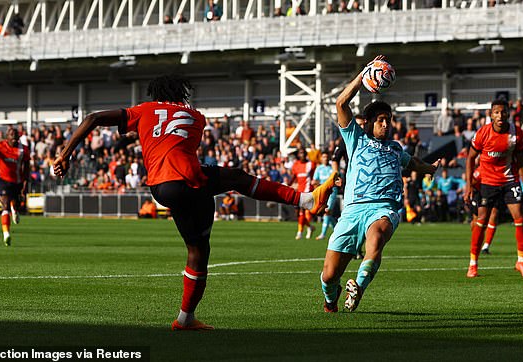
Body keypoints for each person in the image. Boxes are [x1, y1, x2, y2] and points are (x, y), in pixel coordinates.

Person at [53, 74, 339, 331]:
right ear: (182, 93)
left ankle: (185, 319)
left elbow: (92, 118)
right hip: (187, 180)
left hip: (161, 188)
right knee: (237, 178)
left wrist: (65, 154)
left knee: (198, 249)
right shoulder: (197, 118)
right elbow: (175, 136)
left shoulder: (143, 110)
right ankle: (305, 199)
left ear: (156, 94)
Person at [320, 55, 440, 313]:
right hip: (352, 210)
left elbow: (412, 163)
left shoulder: (396, 149)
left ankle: (359, 287)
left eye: (388, 120)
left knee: (377, 237)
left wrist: (430, 168)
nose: (386, 125)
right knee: (329, 276)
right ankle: (332, 299)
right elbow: (341, 102)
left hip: (384, 208)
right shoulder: (355, 140)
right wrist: (363, 75)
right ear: (370, 123)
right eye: (381, 120)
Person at [464, 99, 523, 279]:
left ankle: (521, 262)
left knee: (520, 218)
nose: (501, 115)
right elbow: (470, 158)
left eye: (504, 112)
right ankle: (473, 264)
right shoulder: (483, 133)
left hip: (510, 181)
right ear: (491, 115)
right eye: (497, 112)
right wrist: (469, 186)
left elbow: (521, 162)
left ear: (509, 113)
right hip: (488, 182)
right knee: (481, 220)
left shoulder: (517, 134)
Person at [291, 148, 315, 239]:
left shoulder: (311, 164)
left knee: (302, 212)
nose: (302, 155)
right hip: (299, 191)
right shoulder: (296, 165)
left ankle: (299, 233)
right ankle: (309, 227)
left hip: (307, 191)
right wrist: (287, 185)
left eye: (304, 153)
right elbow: (294, 177)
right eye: (300, 153)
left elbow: (314, 176)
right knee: (297, 213)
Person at [314, 153, 338, 240]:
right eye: (324, 157)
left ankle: (323, 234)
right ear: (321, 158)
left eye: (327, 157)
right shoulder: (319, 168)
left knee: (327, 211)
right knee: (327, 213)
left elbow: (337, 180)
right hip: (322, 193)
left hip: (331, 192)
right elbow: (314, 181)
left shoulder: (333, 167)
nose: (326, 158)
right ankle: (337, 229)